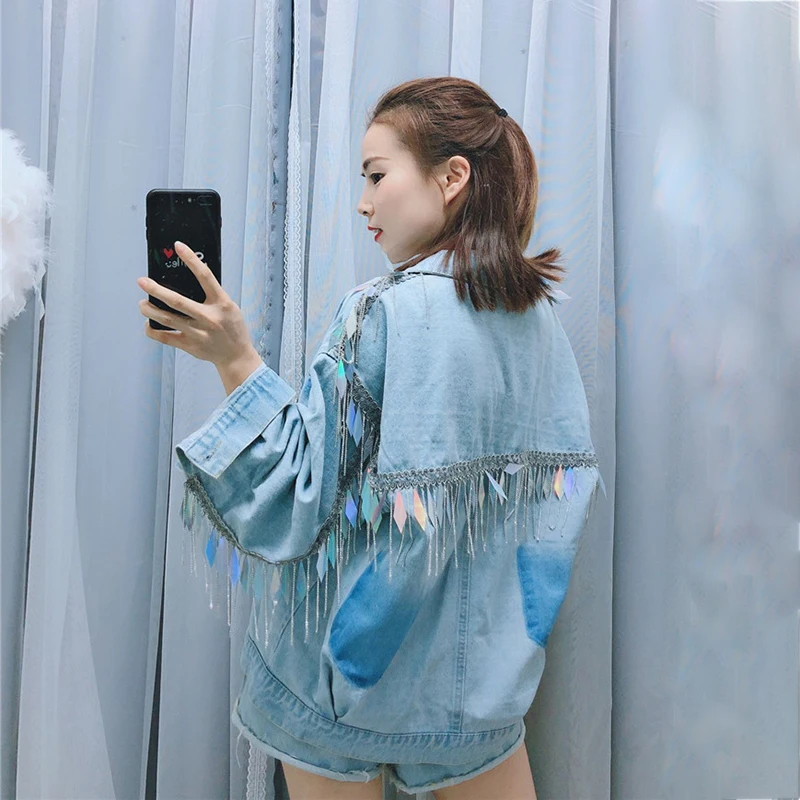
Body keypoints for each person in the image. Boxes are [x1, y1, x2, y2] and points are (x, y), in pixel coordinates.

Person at [137, 76, 600, 800]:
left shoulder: (381, 312)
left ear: (452, 177)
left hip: (344, 691)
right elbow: (549, 521)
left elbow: (298, 498)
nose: (363, 202)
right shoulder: (539, 321)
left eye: (377, 176)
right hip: (481, 700)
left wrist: (236, 359)